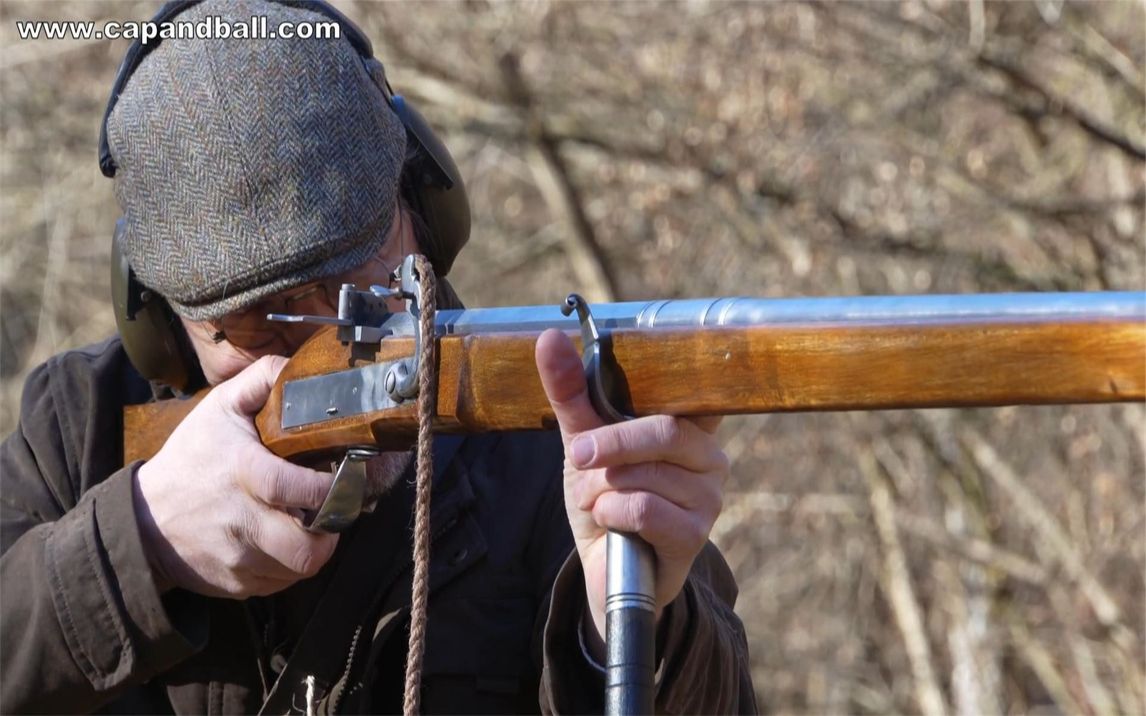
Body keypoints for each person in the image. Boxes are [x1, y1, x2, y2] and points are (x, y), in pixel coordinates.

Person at [0, 1, 755, 712]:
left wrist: (626, 621)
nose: (338, 347)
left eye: (361, 283)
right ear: (158, 322)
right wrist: (138, 544)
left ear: (424, 213)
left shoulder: (556, 429)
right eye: (261, 324)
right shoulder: (82, 428)